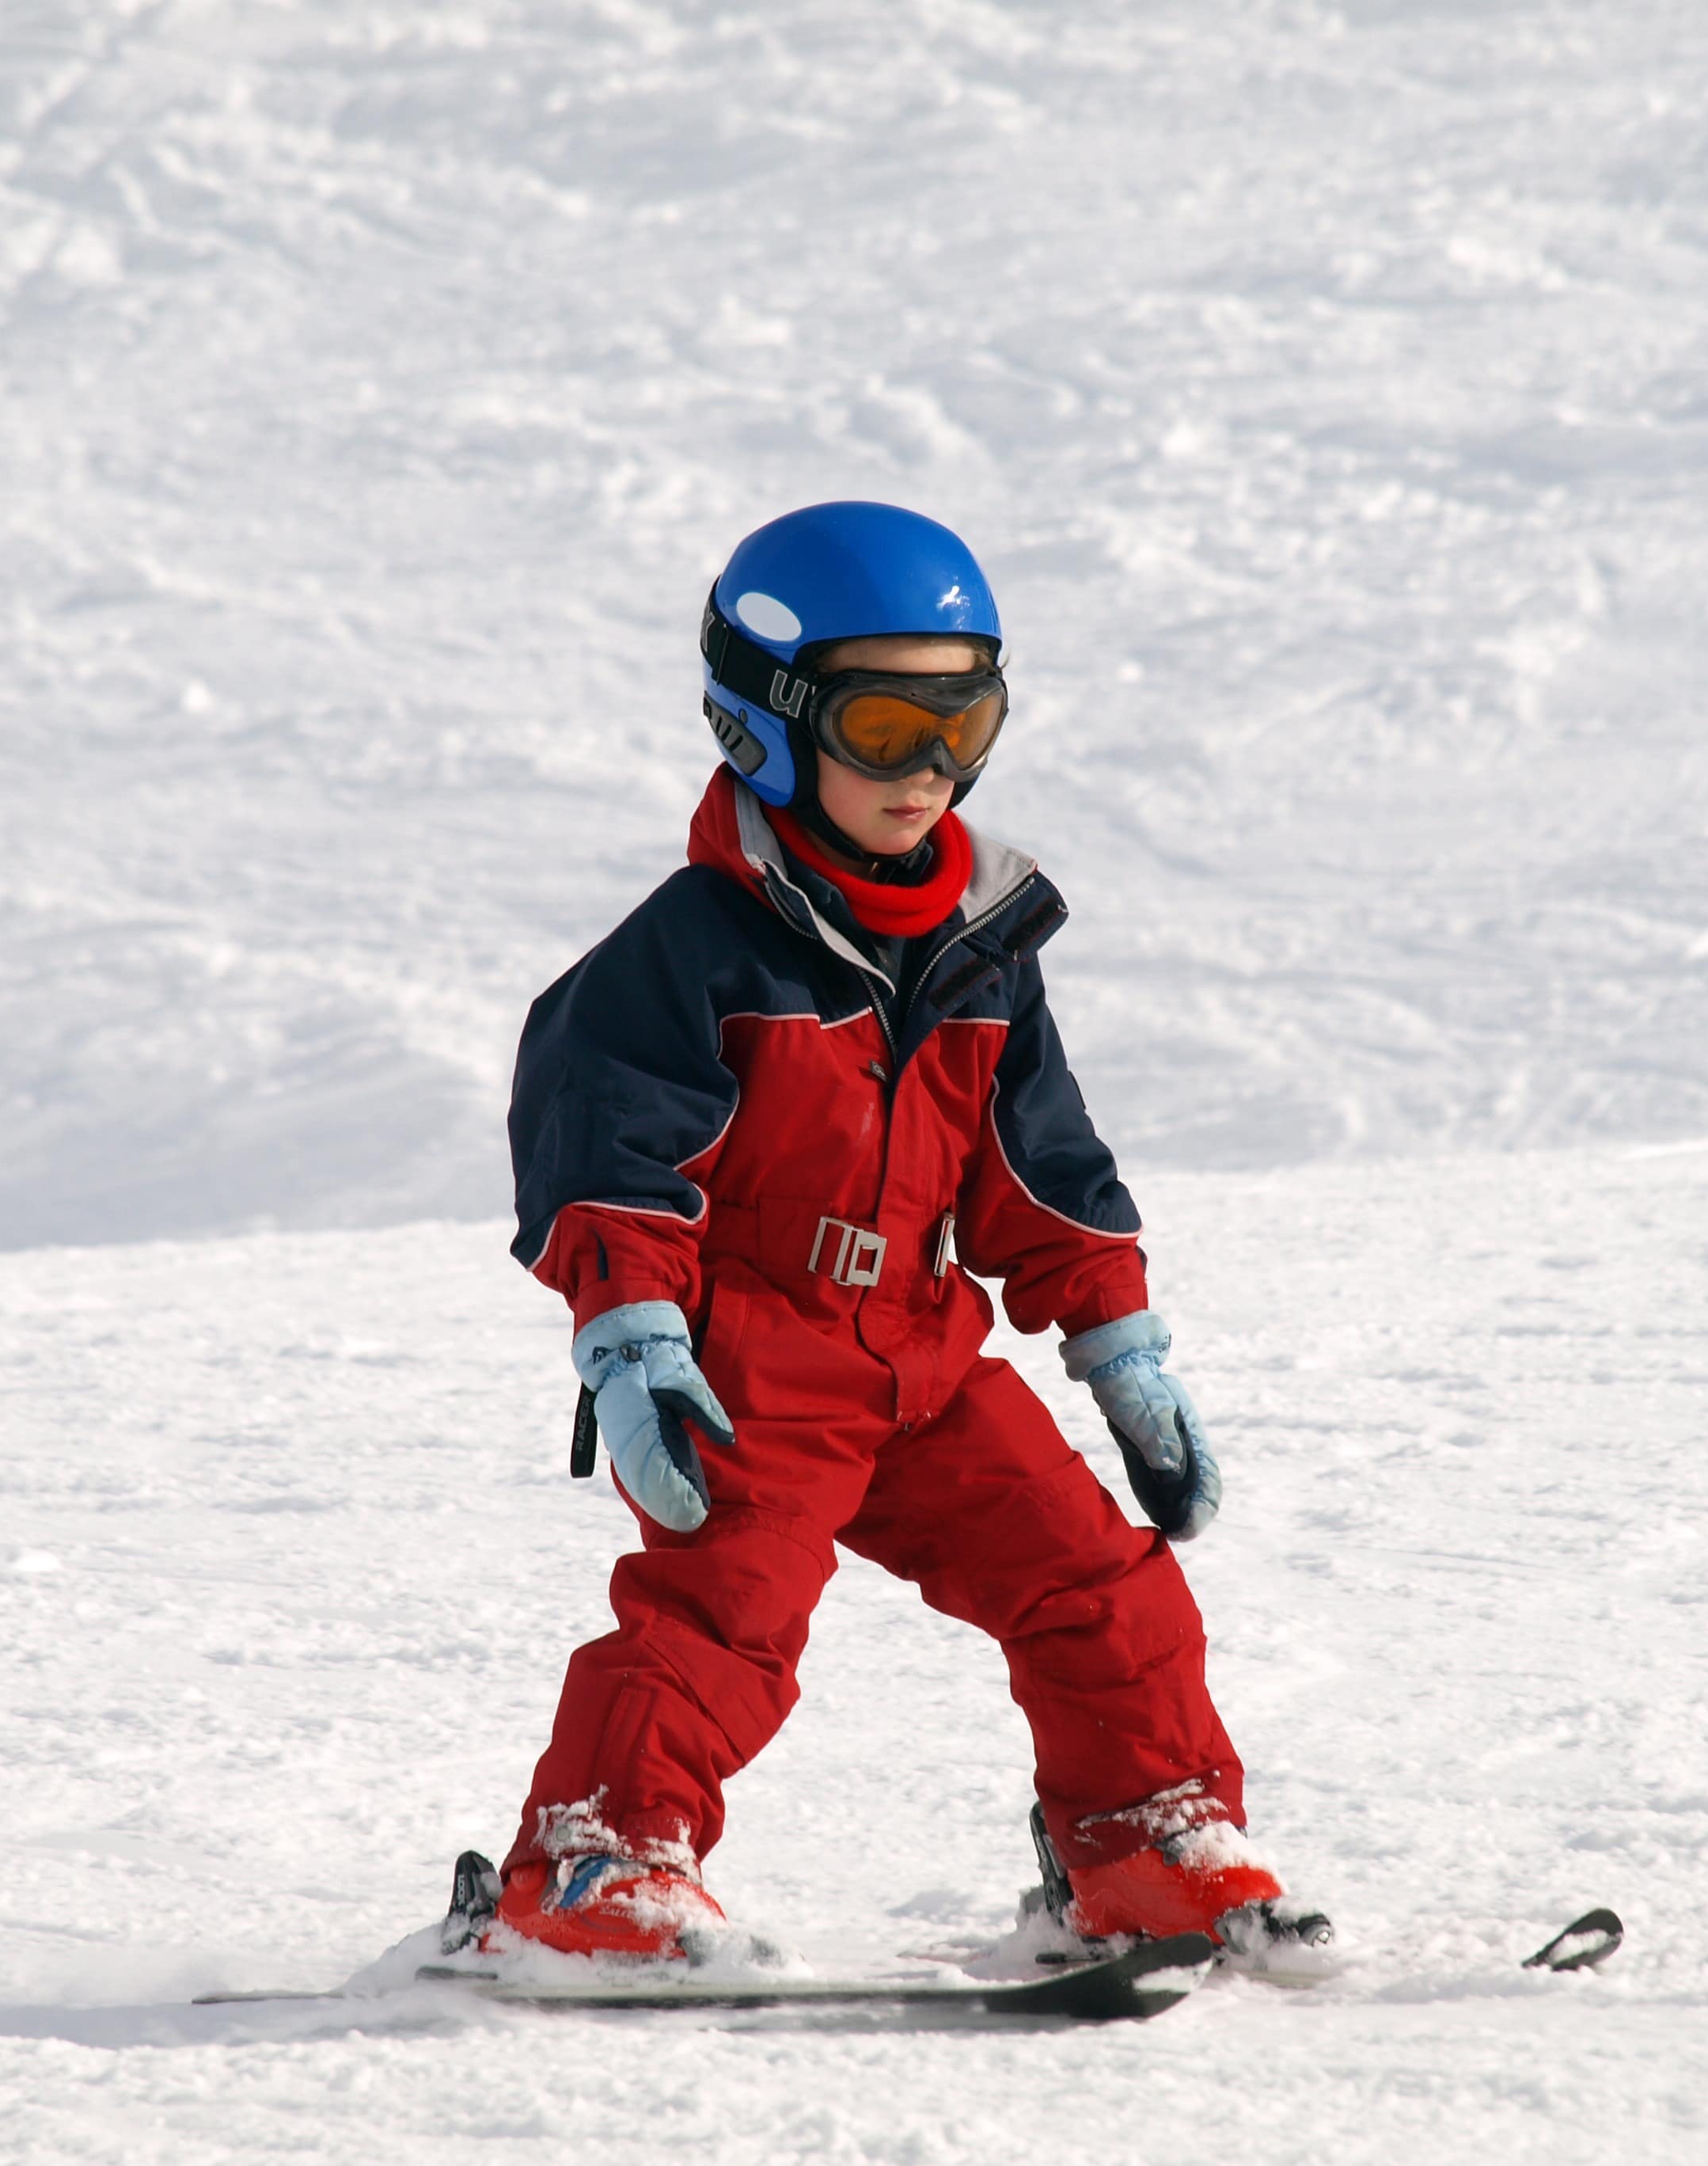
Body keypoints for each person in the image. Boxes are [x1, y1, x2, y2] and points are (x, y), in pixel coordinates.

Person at [484, 501, 1323, 1963]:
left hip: (921, 1360)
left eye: (967, 722)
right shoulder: (690, 952)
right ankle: (592, 1866)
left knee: (1098, 1584)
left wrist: (1119, 1345)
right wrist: (632, 1340)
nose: (932, 771)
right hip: (751, 1364)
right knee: (723, 1618)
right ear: (768, 723)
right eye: (886, 727)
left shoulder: (983, 944)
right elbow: (606, 1149)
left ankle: (1142, 1840)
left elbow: (1040, 1167)